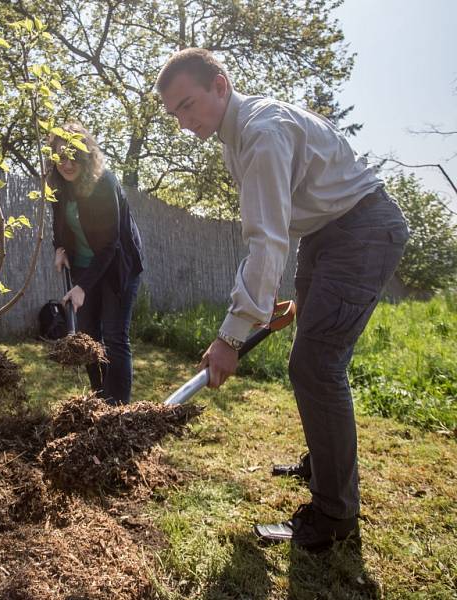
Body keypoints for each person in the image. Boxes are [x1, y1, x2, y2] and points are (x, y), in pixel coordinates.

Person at [156, 49, 409, 551]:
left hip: (361, 230)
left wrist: (231, 335)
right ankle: (324, 463)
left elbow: (267, 239)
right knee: (310, 362)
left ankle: (334, 515)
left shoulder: (262, 134)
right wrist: (271, 299)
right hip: (326, 235)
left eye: (188, 105)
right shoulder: (236, 137)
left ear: (220, 86)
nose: (184, 122)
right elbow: (280, 227)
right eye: (175, 114)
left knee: (316, 367)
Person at [49, 122, 145, 405]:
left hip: (117, 267)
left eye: (72, 155)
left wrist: (82, 287)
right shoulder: (59, 184)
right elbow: (58, 222)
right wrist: (59, 248)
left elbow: (111, 244)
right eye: (59, 157)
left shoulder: (104, 183)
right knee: (88, 339)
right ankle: (100, 402)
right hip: (82, 266)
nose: (66, 164)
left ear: (86, 154)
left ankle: (119, 411)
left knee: (114, 338)